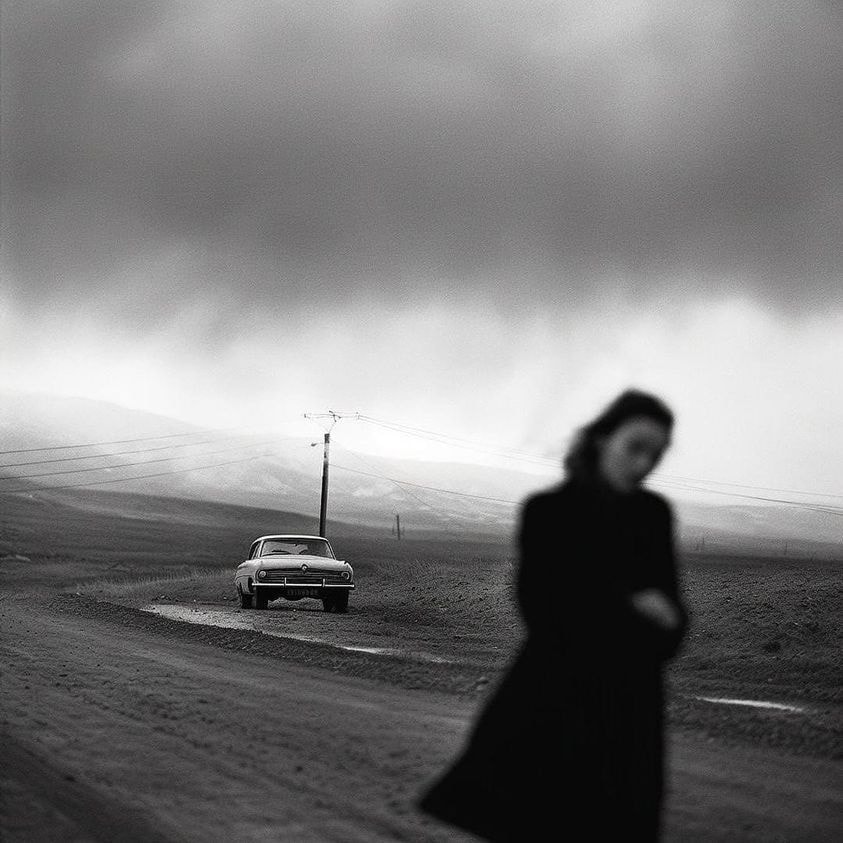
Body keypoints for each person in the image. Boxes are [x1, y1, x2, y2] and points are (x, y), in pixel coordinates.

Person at [419, 389, 688, 841]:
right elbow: (546, 613)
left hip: (630, 718)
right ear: (602, 438)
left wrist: (608, 606)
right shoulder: (551, 513)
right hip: (553, 707)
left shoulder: (653, 515)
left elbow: (673, 630)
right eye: (635, 447)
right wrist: (636, 609)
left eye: (656, 455)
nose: (644, 464)